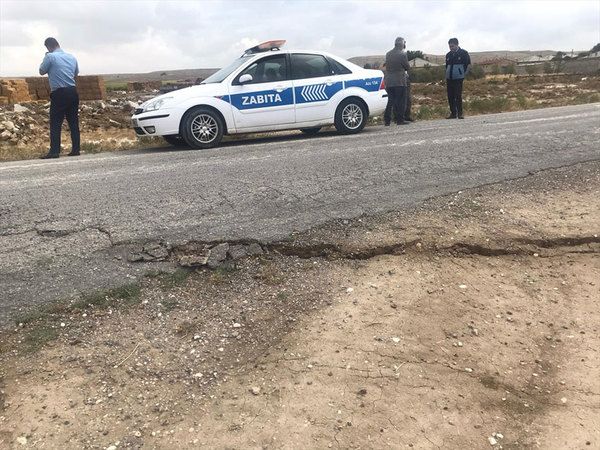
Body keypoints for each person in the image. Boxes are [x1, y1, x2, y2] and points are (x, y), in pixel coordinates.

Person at [39, 37, 80, 159]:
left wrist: (46, 56)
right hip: (72, 91)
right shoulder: (72, 57)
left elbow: (41, 71)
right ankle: (76, 149)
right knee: (73, 122)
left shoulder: (50, 57)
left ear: (48, 47)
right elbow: (75, 74)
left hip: (59, 93)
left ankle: (54, 151)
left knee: (56, 122)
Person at [383, 37, 410, 126]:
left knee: (390, 101)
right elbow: (407, 67)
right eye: (404, 43)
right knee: (401, 101)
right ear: (401, 44)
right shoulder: (402, 54)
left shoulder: (388, 54)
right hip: (400, 81)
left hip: (389, 81)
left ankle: (387, 120)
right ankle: (400, 120)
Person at [445, 37, 471, 119]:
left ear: (457, 45)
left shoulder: (463, 53)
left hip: (458, 79)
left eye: (452, 46)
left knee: (458, 95)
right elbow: (447, 66)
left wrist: (464, 74)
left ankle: (460, 113)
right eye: (450, 46)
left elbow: (468, 65)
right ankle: (453, 113)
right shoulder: (448, 55)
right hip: (449, 79)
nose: (451, 48)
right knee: (450, 96)